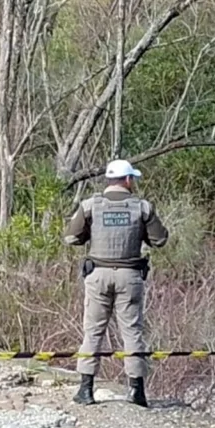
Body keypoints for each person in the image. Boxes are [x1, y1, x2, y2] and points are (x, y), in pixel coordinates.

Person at [64, 159, 169, 408]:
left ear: (109, 180)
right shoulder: (142, 207)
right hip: (129, 277)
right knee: (132, 332)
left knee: (93, 331)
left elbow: (71, 238)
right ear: (128, 180)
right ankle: (137, 392)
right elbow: (160, 240)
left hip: (98, 275)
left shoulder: (90, 205)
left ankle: (86, 390)